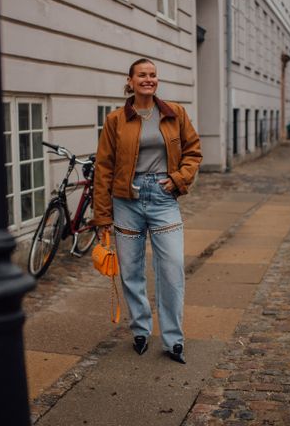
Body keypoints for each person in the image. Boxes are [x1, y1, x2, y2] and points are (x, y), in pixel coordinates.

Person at [92, 58, 202, 364]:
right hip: (126, 200)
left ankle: (173, 340)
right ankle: (140, 330)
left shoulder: (174, 113)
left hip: (163, 197)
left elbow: (193, 152)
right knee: (131, 271)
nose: (149, 79)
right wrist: (102, 216)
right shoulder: (115, 120)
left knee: (172, 268)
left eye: (153, 75)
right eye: (142, 75)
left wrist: (178, 179)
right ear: (130, 80)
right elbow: (103, 169)